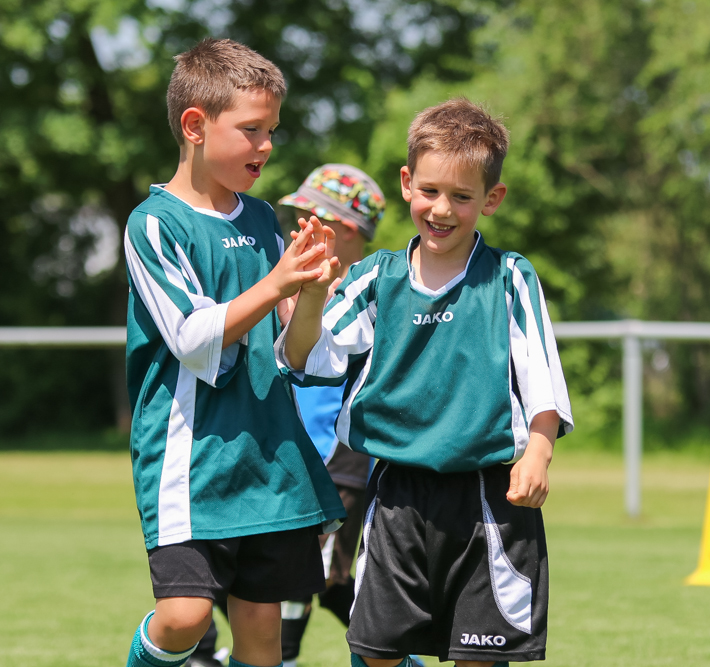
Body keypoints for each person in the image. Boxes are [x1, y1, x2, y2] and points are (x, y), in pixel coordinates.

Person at [277, 98, 574, 667]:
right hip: (394, 498)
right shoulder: (372, 279)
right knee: (376, 652)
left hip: (490, 499)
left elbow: (544, 384)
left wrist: (537, 452)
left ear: (492, 198)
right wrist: (312, 298)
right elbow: (306, 359)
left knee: (478, 659)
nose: (442, 209)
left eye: (462, 197)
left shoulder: (510, 278)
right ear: (408, 184)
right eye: (431, 191)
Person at [122, 37, 345, 667]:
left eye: (273, 129)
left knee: (260, 626)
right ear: (195, 125)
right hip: (191, 461)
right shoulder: (154, 223)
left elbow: (292, 353)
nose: (267, 145)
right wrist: (277, 282)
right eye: (251, 129)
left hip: (269, 455)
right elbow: (193, 340)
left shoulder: (263, 219)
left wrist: (310, 297)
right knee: (185, 618)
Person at [186, 164, 386, 667]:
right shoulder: (295, 289)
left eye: (305, 219)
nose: (293, 230)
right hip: (293, 456)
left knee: (325, 583)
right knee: (308, 579)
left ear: (341, 229)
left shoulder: (366, 294)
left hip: (336, 461)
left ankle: (280, 656)